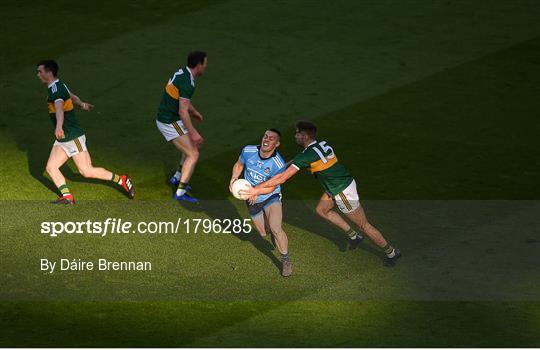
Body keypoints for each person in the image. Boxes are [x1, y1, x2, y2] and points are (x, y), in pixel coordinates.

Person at [240, 121, 401, 267]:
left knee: (364, 225)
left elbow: (282, 178)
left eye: (297, 134)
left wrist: (257, 189)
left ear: (305, 136)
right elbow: (296, 161)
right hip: (339, 184)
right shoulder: (319, 145)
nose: (295, 136)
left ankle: (392, 252)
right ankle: (354, 237)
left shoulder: (307, 155)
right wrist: (281, 167)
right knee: (322, 210)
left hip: (342, 191)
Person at [37, 59, 135, 204]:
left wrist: (58, 126)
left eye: (40, 71)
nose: (38, 74)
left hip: (73, 137)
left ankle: (121, 180)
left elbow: (59, 109)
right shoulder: (58, 85)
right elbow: (71, 96)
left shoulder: (55, 90)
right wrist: (82, 104)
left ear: (49, 73)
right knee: (51, 167)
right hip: (64, 138)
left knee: (86, 171)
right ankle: (67, 197)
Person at [230, 129, 292, 277]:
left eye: (271, 138)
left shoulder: (278, 163)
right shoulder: (248, 150)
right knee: (264, 232)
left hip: (270, 196)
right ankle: (271, 233)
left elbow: (271, 186)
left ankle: (285, 259)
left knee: (276, 228)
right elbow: (239, 164)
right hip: (251, 199)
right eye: (265, 136)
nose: (266, 139)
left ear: (276, 144)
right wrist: (233, 178)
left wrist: (255, 192)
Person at [156, 51, 208, 203]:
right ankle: (180, 193)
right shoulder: (188, 83)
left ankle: (177, 178)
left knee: (191, 149)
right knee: (193, 154)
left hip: (168, 118)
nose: (206, 66)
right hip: (169, 121)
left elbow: (182, 102)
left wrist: (194, 111)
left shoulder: (182, 73)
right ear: (198, 65)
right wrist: (194, 133)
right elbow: (182, 111)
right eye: (205, 63)